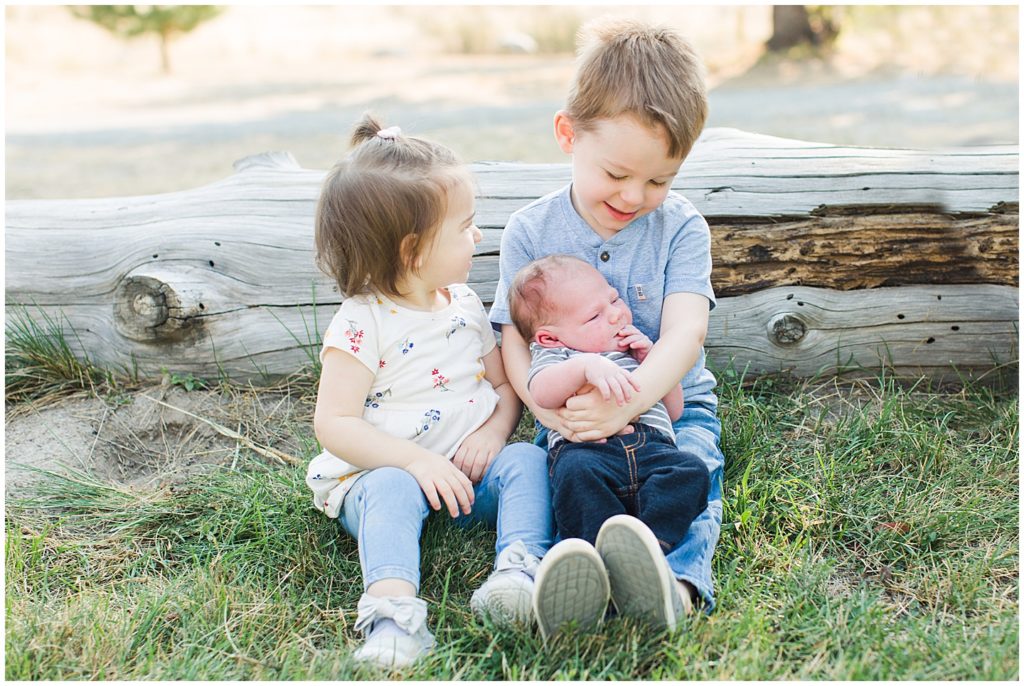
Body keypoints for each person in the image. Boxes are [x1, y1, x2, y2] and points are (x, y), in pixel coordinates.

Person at [488, 17, 724, 639]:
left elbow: (685, 332)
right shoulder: (531, 231)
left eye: (659, 180)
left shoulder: (680, 227)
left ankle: (671, 584)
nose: (635, 195)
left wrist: (639, 399)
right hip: (573, 414)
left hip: (670, 408)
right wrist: (550, 416)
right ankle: (576, 573)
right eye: (617, 174)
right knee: (562, 481)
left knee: (697, 472)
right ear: (568, 134)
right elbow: (513, 338)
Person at [306, 115, 552, 668]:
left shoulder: (463, 303)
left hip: (466, 475)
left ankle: (518, 573)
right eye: (466, 226)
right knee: (392, 488)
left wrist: (493, 433)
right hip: (384, 475)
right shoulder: (361, 323)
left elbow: (502, 382)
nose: (478, 235)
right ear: (414, 250)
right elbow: (335, 422)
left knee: (527, 462)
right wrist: (416, 462)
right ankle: (395, 620)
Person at [509, 253, 709, 551]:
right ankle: (601, 548)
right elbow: (541, 392)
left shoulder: (634, 347)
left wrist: (650, 357)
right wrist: (584, 367)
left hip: (652, 449)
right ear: (551, 338)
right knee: (573, 477)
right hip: (588, 453)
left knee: (691, 471)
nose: (615, 314)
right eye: (594, 316)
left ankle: (651, 543)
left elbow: (675, 411)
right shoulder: (557, 356)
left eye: (614, 300)